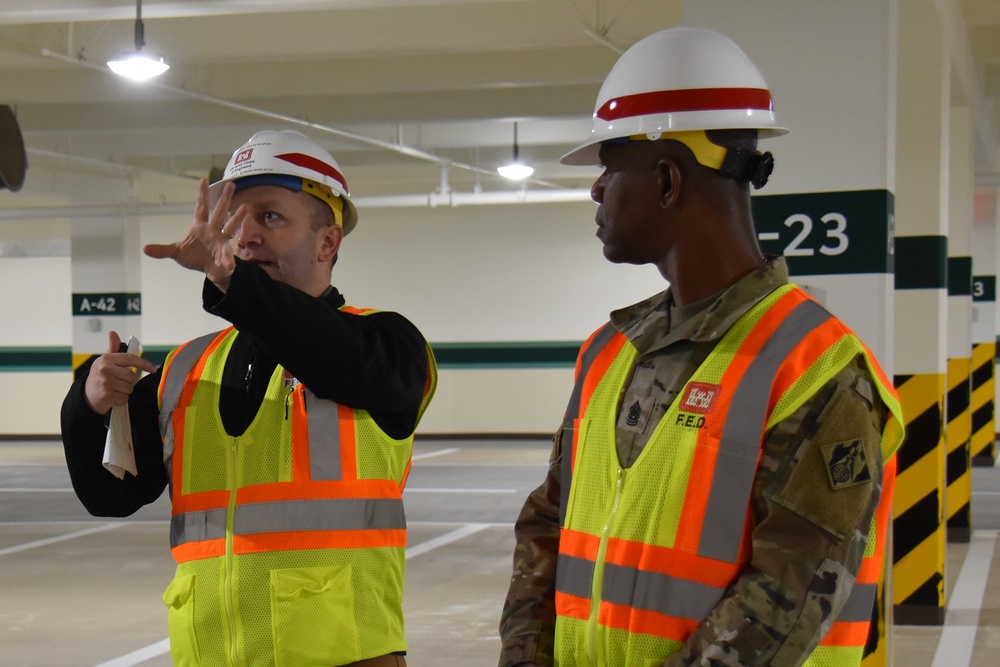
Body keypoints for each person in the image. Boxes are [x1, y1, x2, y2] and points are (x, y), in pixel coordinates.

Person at [498, 27, 904, 667]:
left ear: (666, 180)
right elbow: (546, 526)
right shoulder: (609, 352)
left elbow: (785, 602)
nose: (597, 191)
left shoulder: (816, 370)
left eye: (608, 170)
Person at [61, 129, 437, 667]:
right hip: (210, 653)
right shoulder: (186, 367)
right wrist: (88, 404)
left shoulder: (387, 344)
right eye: (234, 219)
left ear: (328, 242)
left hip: (342, 654)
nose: (245, 236)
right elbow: (111, 495)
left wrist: (231, 282)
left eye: (270, 217)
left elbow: (325, 349)